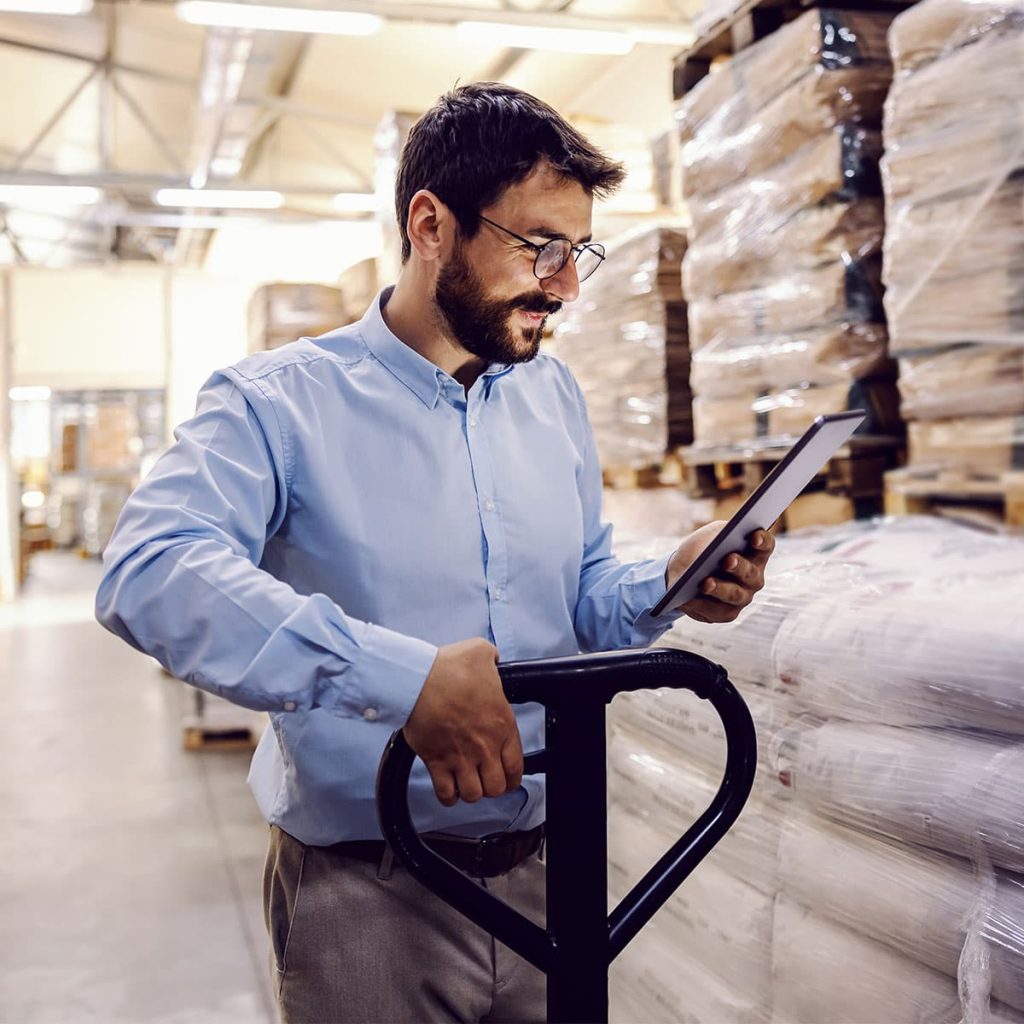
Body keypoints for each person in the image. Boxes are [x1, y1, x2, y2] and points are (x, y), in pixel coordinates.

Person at [96, 81, 774, 1024]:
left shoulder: (551, 396)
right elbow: (149, 571)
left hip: (550, 877)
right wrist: (404, 681)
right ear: (430, 226)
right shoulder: (277, 403)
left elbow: (579, 593)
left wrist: (667, 583)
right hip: (370, 896)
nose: (565, 286)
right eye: (540, 246)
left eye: (578, 252)